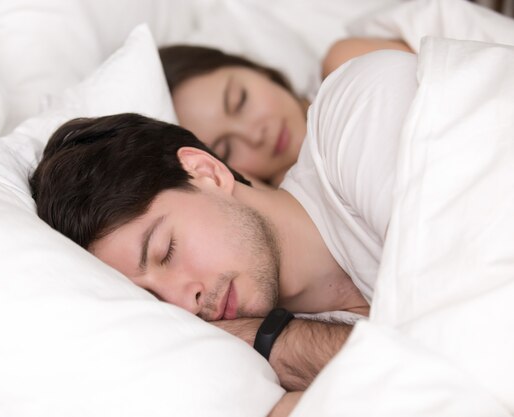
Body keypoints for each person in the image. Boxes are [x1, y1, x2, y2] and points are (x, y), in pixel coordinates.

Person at [30, 50, 418, 415]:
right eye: (154, 299)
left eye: (166, 250)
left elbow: (465, 346)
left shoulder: (358, 113)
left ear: (207, 172)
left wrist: (277, 342)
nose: (185, 302)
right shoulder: (262, 379)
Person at [158, 38, 411, 186]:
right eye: (226, 150)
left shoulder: (345, 65)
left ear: (258, 70)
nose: (254, 135)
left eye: (240, 101)